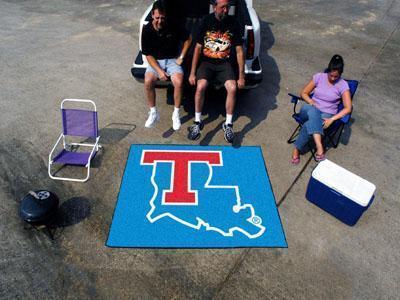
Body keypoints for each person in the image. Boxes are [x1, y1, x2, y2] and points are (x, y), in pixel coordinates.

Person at [188, 0, 245, 143]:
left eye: (228, 7)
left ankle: (228, 124)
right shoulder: (205, 21)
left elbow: (239, 51)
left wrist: (241, 77)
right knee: (200, 87)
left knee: (232, 88)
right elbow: (198, 48)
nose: (226, 10)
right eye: (222, 7)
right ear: (215, 7)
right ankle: (197, 122)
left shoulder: (234, 23)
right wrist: (192, 73)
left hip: (224, 64)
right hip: (207, 63)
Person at [291, 54, 352, 164]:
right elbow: (303, 93)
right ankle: (319, 146)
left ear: (340, 74)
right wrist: (310, 101)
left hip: (327, 115)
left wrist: (332, 119)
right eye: (331, 75)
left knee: (308, 125)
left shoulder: (343, 85)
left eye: (336, 77)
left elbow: (348, 108)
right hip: (309, 109)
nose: (333, 78)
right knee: (313, 110)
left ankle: (296, 149)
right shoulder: (319, 77)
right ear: (328, 70)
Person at [141, 1, 192, 130]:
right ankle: (153, 112)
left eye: (162, 18)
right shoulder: (147, 30)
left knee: (179, 82)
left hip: (172, 60)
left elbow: (188, 39)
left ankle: (176, 113)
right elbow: (148, 55)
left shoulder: (173, 25)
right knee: (148, 81)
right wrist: (159, 71)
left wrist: (181, 57)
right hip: (155, 61)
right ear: (152, 15)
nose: (160, 21)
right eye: (157, 18)